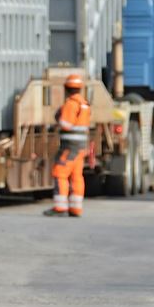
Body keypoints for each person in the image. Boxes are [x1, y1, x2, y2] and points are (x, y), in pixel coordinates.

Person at [44, 74, 92, 218]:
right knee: (77, 175)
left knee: (60, 172)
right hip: (81, 146)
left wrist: (57, 120)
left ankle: (60, 207)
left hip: (70, 146)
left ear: (66, 88)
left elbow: (66, 124)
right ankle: (76, 208)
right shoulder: (84, 104)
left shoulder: (71, 104)